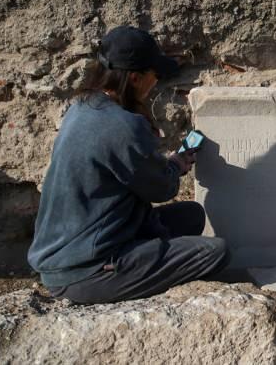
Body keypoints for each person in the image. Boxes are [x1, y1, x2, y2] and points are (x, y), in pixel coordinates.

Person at [28, 25, 230, 304]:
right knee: (214, 252)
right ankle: (122, 270)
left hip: (71, 247)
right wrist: (175, 166)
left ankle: (137, 254)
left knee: (192, 215)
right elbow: (162, 189)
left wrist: (167, 163)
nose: (156, 82)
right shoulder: (123, 126)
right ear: (135, 78)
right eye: (154, 75)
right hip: (85, 271)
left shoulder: (82, 107)